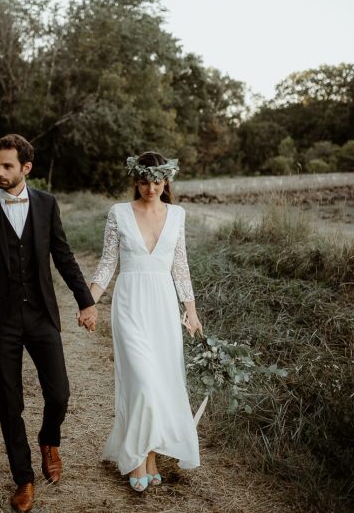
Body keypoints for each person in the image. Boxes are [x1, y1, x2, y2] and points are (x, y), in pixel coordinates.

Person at [0, 134, 98, 513]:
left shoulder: (47, 205)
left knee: (60, 394)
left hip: (40, 316)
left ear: (26, 168)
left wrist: (86, 300)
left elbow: (63, 256)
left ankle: (49, 440)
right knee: (10, 403)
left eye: (6, 166)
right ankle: (23, 478)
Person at [89, 152, 203, 492]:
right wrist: (87, 302)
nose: (150, 187)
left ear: (166, 181)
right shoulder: (119, 213)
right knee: (142, 382)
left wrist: (191, 311)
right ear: (135, 180)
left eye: (157, 181)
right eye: (143, 181)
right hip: (130, 306)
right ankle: (136, 460)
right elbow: (108, 263)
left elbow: (180, 266)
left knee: (161, 383)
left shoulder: (178, 215)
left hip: (164, 308)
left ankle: (150, 456)